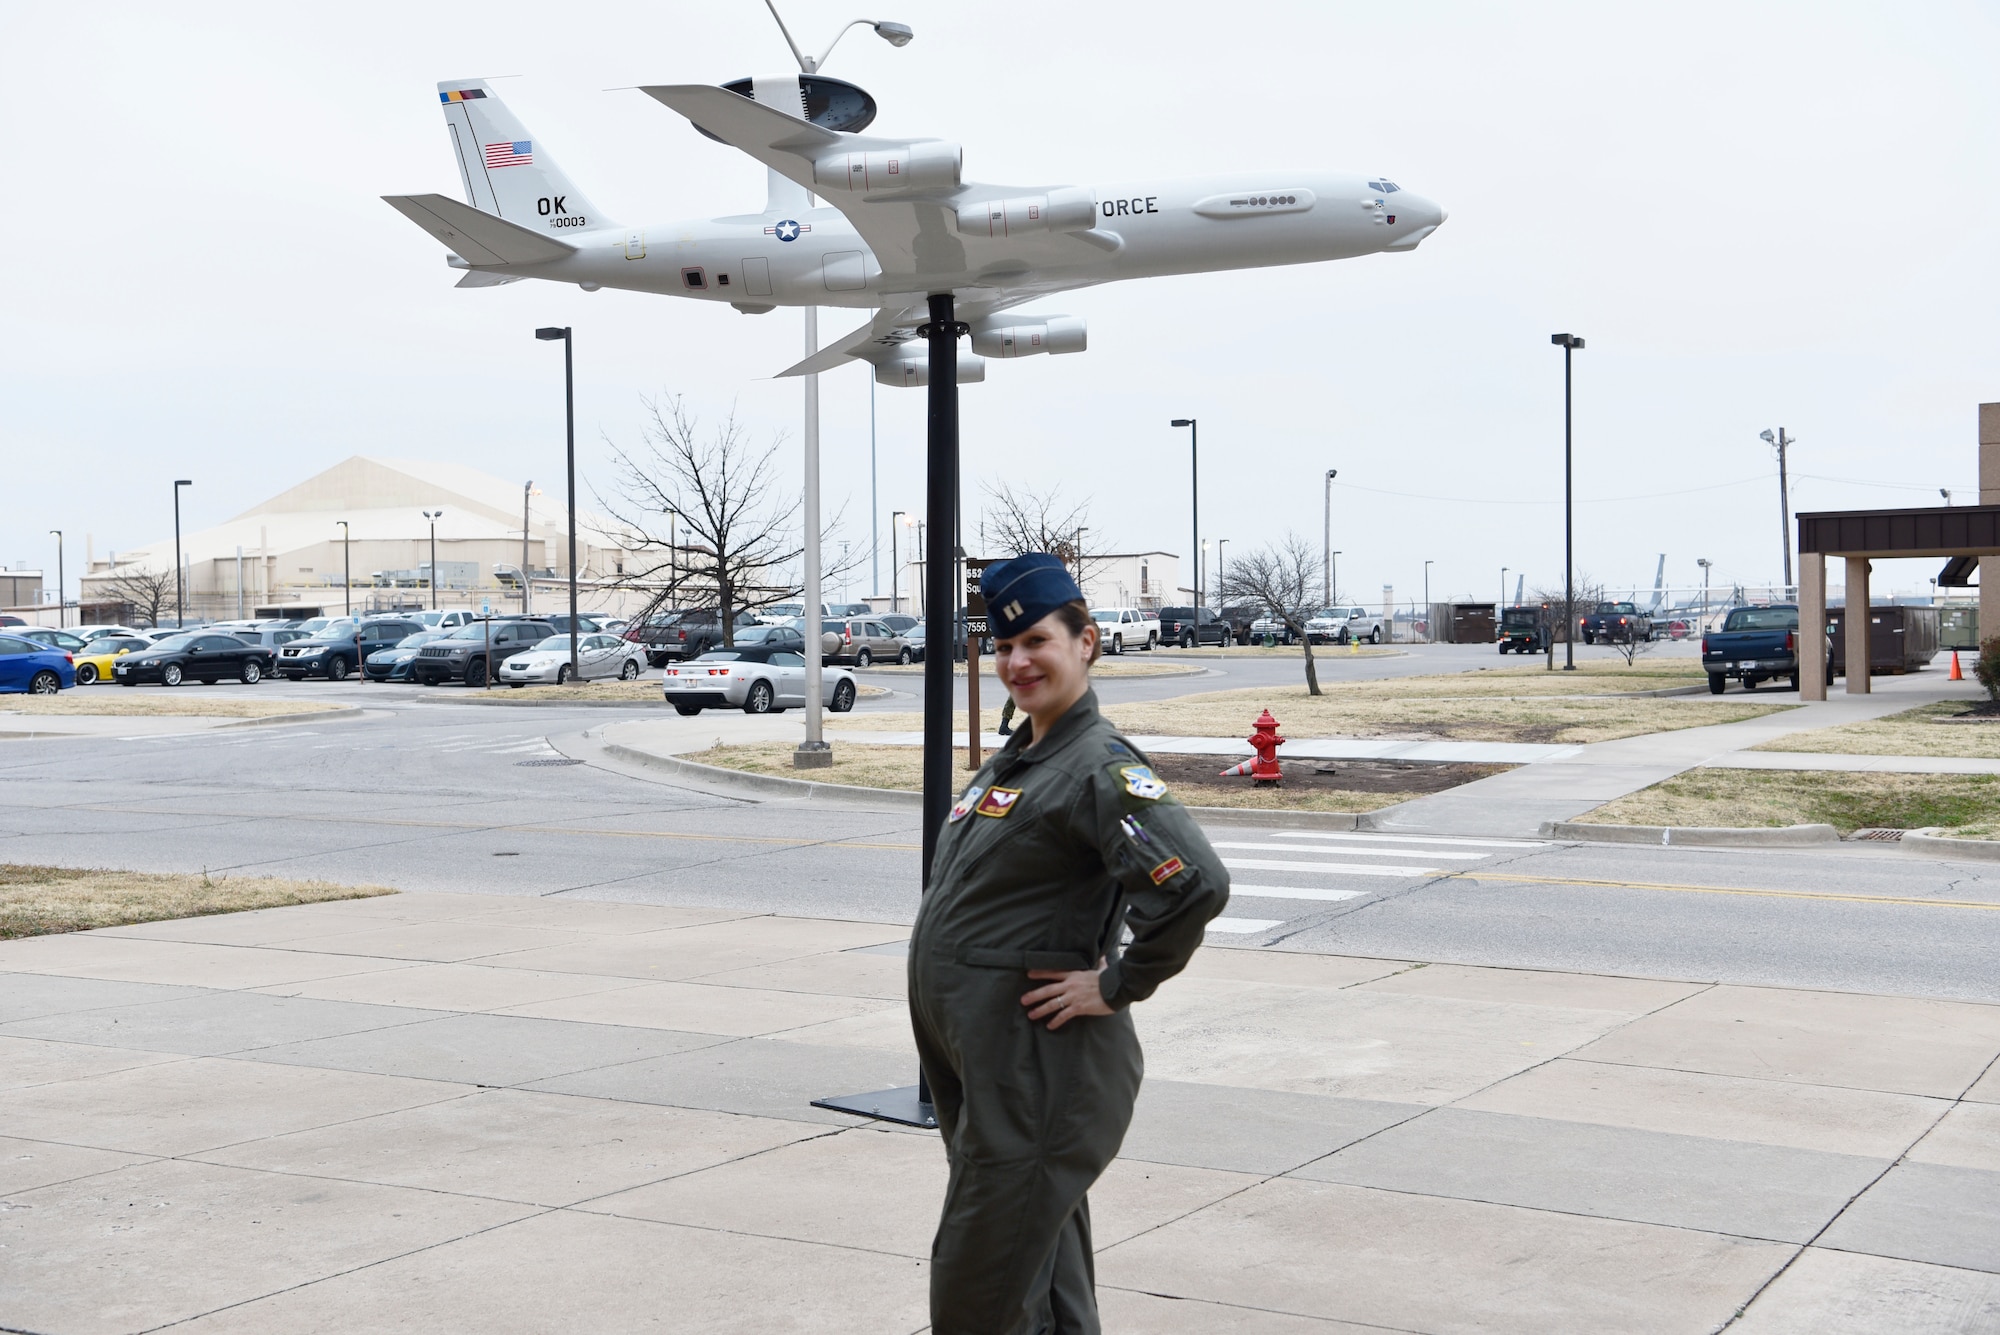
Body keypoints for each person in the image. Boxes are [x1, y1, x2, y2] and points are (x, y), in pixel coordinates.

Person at [908, 552, 1230, 1334]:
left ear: (1086, 641)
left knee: (977, 1296)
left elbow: (1194, 884)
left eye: (1039, 641)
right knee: (1040, 1277)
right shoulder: (1023, 757)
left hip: (1041, 1074)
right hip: (995, 1072)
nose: (1018, 662)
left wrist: (1117, 983)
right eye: (1005, 646)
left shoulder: (1097, 766)